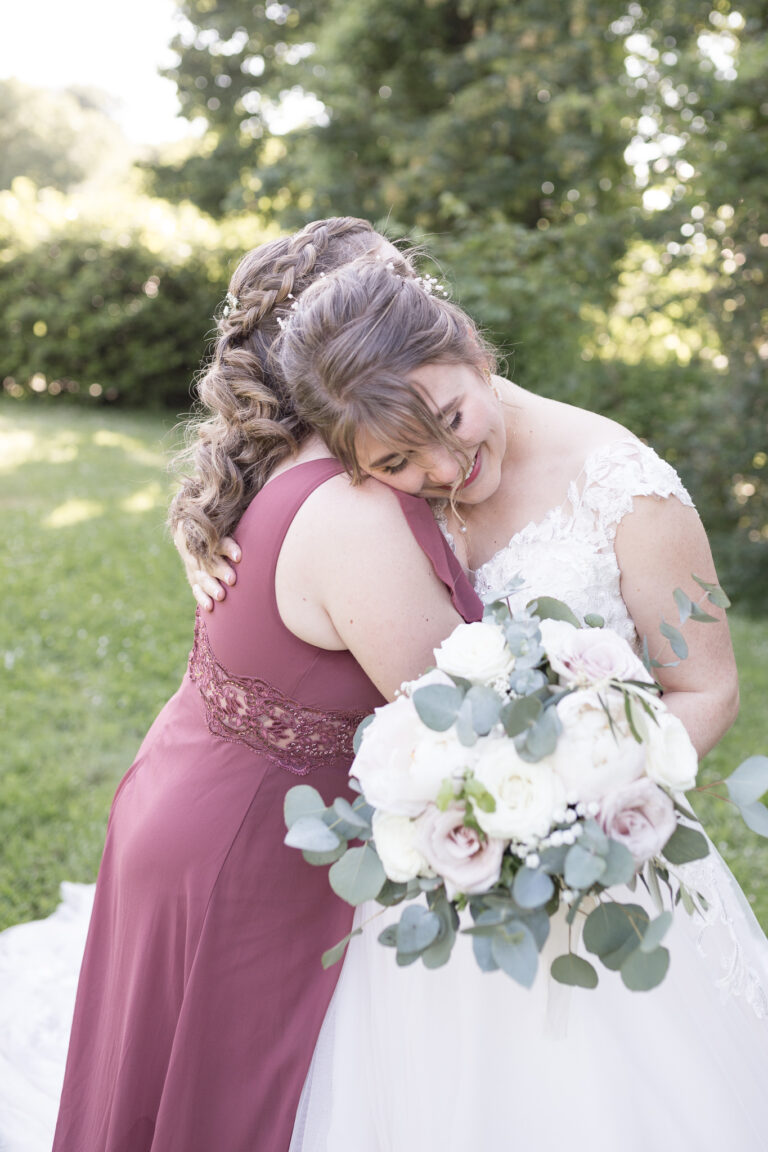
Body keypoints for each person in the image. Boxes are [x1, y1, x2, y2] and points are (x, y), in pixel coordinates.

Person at [192, 257, 768, 1151]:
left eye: (453, 419)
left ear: (472, 350)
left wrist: (590, 789)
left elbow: (708, 686)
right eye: (396, 460)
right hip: (439, 880)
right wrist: (198, 527)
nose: (448, 467)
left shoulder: (625, 488)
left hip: (603, 864)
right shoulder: (361, 483)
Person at [50, 218, 485, 1152]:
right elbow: (464, 719)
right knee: (219, 1109)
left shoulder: (282, 458)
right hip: (248, 851)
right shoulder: (352, 501)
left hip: (188, 797)